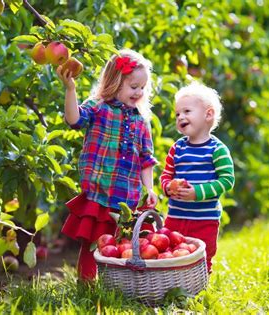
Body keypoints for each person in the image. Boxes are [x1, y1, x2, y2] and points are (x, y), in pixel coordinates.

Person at [57, 49, 158, 281]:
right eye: (133, 86)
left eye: (142, 88)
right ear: (115, 82)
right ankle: (88, 285)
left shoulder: (141, 121)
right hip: (99, 193)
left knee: (122, 246)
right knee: (93, 244)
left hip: (127, 199)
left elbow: (146, 159)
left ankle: (117, 286)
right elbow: (74, 119)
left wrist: (150, 188)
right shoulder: (99, 107)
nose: (139, 92)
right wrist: (70, 90)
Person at [160, 82, 235, 272]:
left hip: (204, 219)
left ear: (208, 115)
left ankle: (199, 290)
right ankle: (172, 286)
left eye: (186, 111)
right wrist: (168, 187)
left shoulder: (217, 149)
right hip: (175, 217)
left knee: (203, 255)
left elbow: (227, 180)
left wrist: (198, 193)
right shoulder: (177, 148)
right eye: (177, 114)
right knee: (169, 253)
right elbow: (166, 175)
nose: (180, 117)